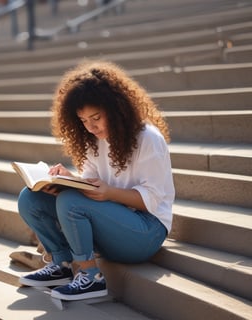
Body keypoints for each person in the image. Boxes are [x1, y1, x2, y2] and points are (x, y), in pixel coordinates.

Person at [17, 60, 175, 301]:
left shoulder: (148, 138)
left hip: (146, 232)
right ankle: (61, 266)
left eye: (96, 118)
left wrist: (109, 193)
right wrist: (67, 181)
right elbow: (90, 188)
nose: (90, 127)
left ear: (116, 109)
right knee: (30, 198)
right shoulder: (93, 141)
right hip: (112, 221)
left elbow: (154, 200)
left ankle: (91, 278)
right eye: (83, 121)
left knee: (72, 201)